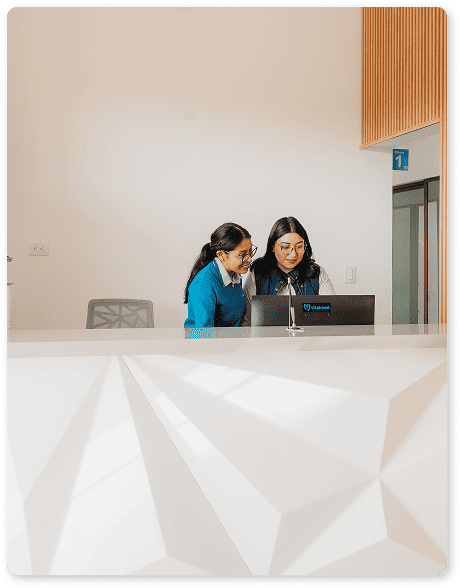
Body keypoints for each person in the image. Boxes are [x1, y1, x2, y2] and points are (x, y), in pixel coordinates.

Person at [242, 216, 335, 325]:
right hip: (267, 336)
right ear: (273, 247)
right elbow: (247, 321)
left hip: (309, 335)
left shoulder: (317, 273)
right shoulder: (258, 273)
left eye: (299, 247)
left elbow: (331, 315)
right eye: (285, 247)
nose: (293, 254)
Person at [184, 223, 257, 328]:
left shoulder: (234, 275)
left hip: (230, 337)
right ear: (221, 255)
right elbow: (203, 333)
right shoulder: (204, 284)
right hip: (205, 338)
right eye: (242, 254)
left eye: (250, 252)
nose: (249, 259)